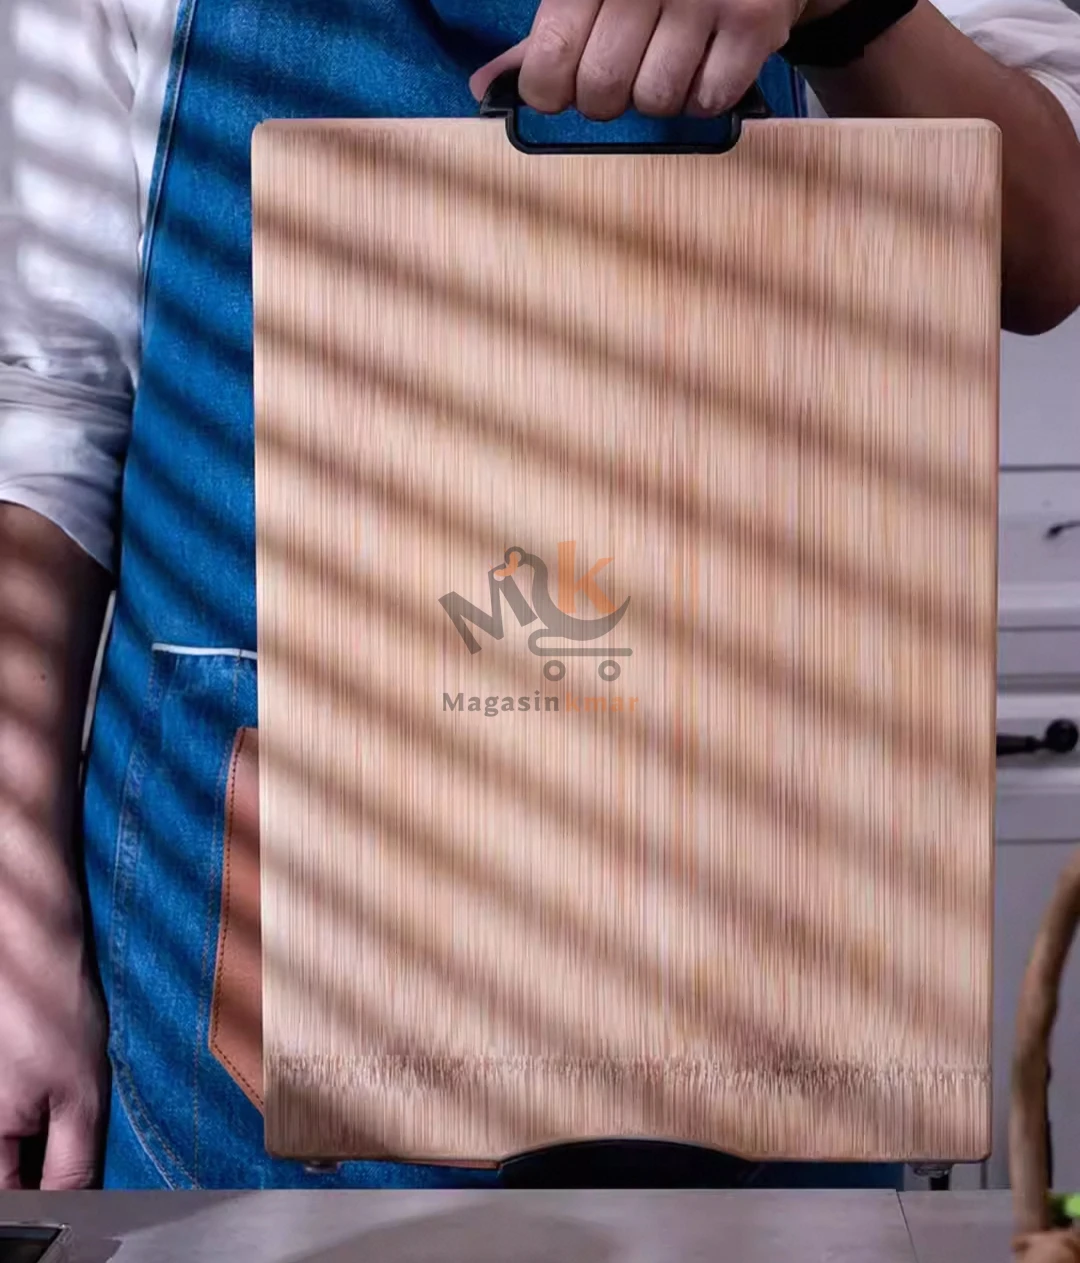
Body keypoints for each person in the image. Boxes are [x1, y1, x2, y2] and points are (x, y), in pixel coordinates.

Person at [1, 0, 1079, 1193]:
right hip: (246, 915)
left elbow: (1047, 244)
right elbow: (45, 411)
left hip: (765, 897)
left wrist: (846, 13)